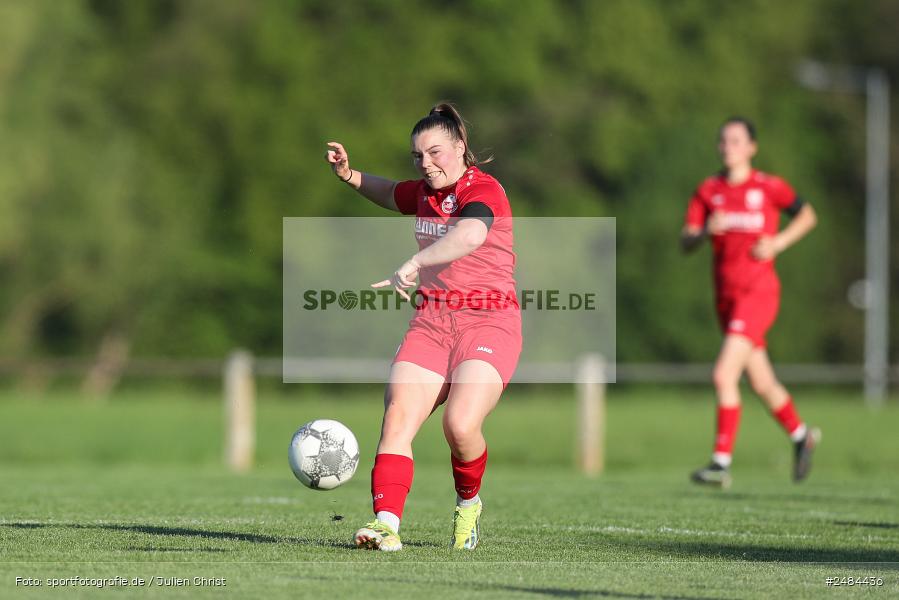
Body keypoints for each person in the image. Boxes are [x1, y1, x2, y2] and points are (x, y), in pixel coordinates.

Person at [324, 103, 520, 550]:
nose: (426, 164)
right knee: (397, 418)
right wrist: (350, 177)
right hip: (432, 323)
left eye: (435, 153)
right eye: (417, 156)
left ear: (460, 147)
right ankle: (385, 524)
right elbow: (391, 191)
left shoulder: (484, 190)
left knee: (460, 425)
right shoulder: (424, 193)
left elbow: (470, 234)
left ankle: (468, 505)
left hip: (489, 322)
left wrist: (416, 260)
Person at [682, 116, 821, 488]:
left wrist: (777, 243)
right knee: (761, 382)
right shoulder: (708, 191)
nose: (728, 147)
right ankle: (801, 435)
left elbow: (808, 215)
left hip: (758, 294)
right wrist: (703, 234)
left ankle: (720, 462)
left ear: (751, 148)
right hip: (725, 299)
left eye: (736, 141)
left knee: (723, 374)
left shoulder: (769, 186)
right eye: (723, 141)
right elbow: (686, 241)